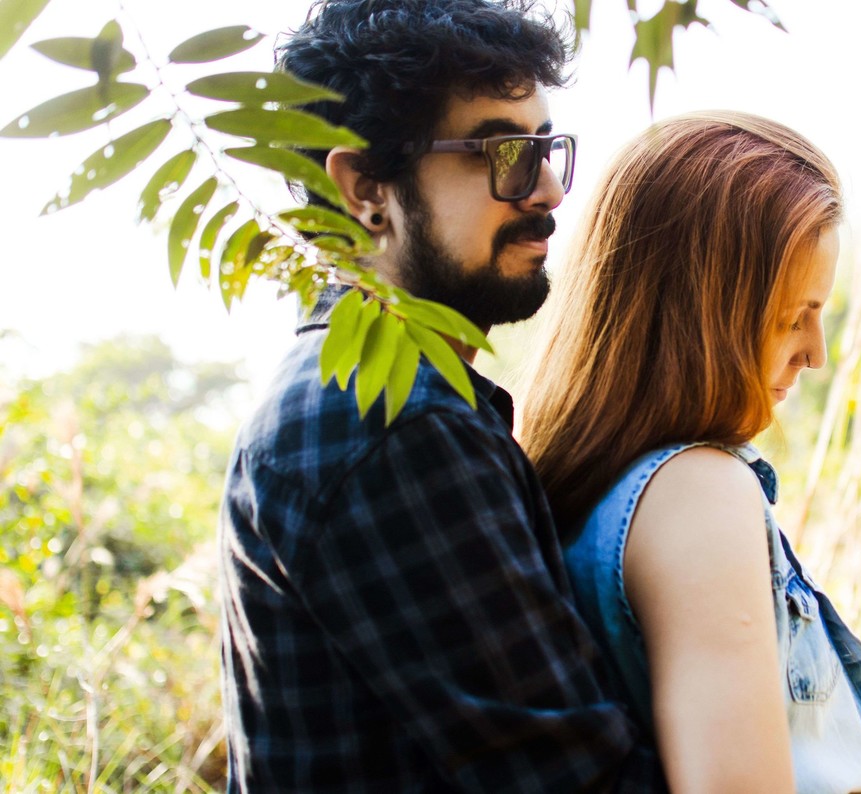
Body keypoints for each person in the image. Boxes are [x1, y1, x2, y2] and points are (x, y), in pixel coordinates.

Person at [217, 1, 663, 790]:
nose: (549, 192)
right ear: (366, 188)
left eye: (546, 148)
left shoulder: (364, 395)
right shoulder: (389, 425)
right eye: (503, 152)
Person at [521, 111, 861, 793]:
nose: (816, 353)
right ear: (702, 313)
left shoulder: (592, 495)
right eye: (792, 317)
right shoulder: (696, 493)